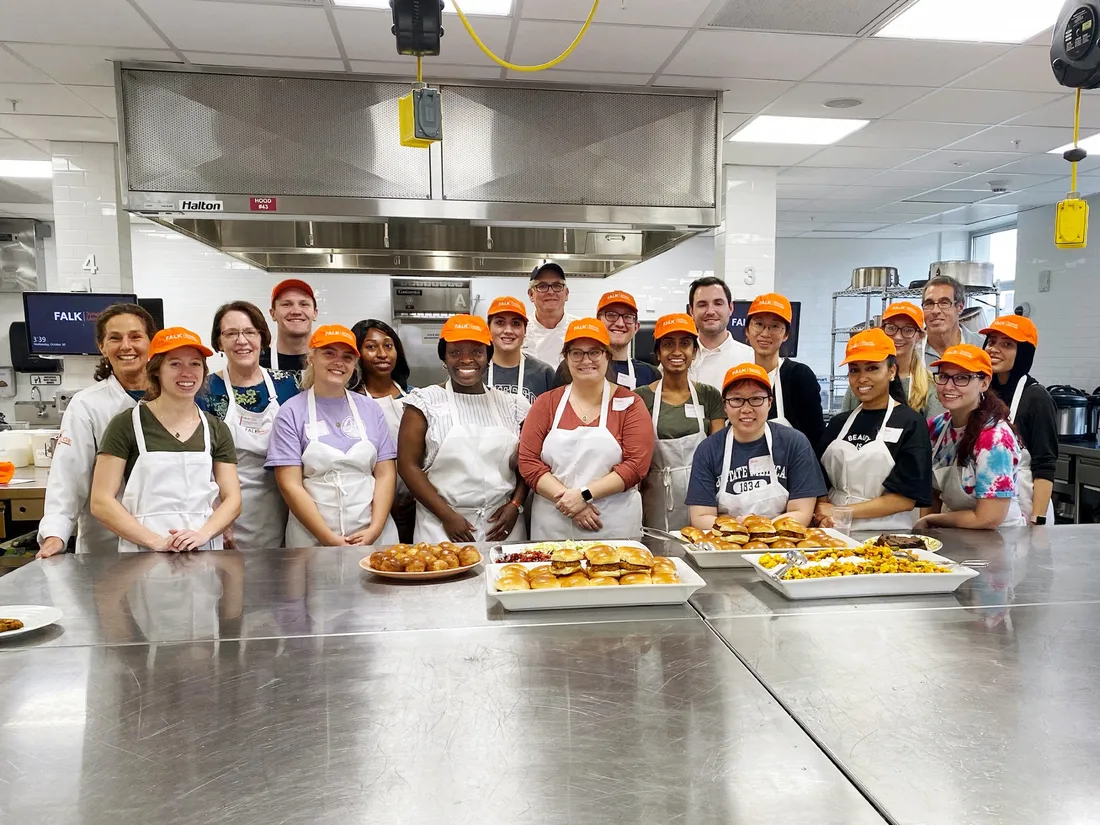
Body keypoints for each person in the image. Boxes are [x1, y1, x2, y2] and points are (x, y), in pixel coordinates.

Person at [90, 328, 241, 552]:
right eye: (175, 364)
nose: (187, 373)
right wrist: (155, 542)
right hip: (143, 552)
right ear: (156, 370)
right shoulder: (126, 425)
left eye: (195, 364)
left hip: (203, 550)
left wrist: (203, 534)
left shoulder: (216, 428)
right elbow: (101, 501)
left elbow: (233, 499)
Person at [37, 303, 156, 558]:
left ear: (151, 342)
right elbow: (68, 476)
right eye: (115, 338)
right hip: (107, 546)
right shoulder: (86, 405)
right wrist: (55, 534)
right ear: (102, 346)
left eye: (135, 336)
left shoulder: (173, 399)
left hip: (169, 537)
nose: (126, 346)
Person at [399, 314, 529, 543]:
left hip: (502, 524)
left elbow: (528, 463)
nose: (466, 360)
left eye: (477, 352)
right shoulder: (424, 402)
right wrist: (447, 516)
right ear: (444, 357)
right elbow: (408, 466)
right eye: (455, 352)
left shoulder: (513, 405)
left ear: (488, 356)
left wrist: (515, 505)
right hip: (440, 527)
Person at [520, 319, 654, 540]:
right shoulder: (546, 404)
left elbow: (636, 466)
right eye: (577, 353)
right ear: (566, 357)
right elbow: (528, 461)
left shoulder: (630, 403)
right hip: (554, 522)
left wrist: (584, 496)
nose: (586, 360)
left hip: (612, 523)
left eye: (594, 352)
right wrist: (569, 501)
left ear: (607, 356)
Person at [267, 325, 399, 548]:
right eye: (329, 353)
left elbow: (386, 474)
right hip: (312, 538)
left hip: (374, 535)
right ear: (311, 357)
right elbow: (290, 485)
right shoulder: (290, 412)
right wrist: (328, 538)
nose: (339, 362)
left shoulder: (370, 409)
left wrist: (375, 529)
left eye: (347, 357)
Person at [199, 301, 300, 549]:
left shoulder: (290, 384)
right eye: (231, 333)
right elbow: (199, 461)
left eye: (249, 332)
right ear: (219, 342)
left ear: (263, 338)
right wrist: (217, 515)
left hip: (287, 506)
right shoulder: (205, 390)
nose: (241, 341)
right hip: (226, 508)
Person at [816, 329, 933, 532]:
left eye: (872, 368)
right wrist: (823, 516)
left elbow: (904, 500)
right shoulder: (838, 424)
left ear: (892, 372)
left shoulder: (910, 423)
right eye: (855, 370)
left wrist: (841, 511)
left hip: (889, 535)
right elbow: (819, 482)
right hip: (835, 532)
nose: (862, 378)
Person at [687, 363, 826, 528]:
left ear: (769, 402)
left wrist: (762, 528)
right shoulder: (708, 450)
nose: (746, 409)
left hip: (782, 544)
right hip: (726, 544)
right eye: (737, 400)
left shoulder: (794, 443)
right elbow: (701, 516)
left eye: (756, 399)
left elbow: (802, 512)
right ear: (724, 405)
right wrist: (737, 527)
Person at [915, 345, 1025, 530]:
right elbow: (932, 490)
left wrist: (933, 520)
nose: (949, 386)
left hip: (1000, 539)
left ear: (984, 383)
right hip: (957, 534)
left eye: (962, 378)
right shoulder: (936, 428)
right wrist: (926, 536)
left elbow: (989, 518)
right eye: (943, 376)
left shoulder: (994, 438)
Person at [636, 314, 726, 532]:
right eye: (668, 344)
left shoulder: (709, 395)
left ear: (694, 352)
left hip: (703, 495)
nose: (677, 352)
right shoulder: (640, 398)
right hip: (656, 496)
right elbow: (636, 458)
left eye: (685, 344)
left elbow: (718, 454)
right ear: (658, 353)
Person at [981, 315, 1058, 524]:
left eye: (1007, 344)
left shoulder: (1037, 397)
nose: (994, 349)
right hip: (983, 510)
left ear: (1023, 353)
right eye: (991, 341)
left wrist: (1038, 518)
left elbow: (1045, 464)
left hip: (1026, 508)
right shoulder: (981, 392)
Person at [351, 318, 416, 543]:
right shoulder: (350, 402)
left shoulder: (415, 397)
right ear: (357, 353)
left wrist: (417, 496)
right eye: (371, 347)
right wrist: (386, 501)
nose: (382, 353)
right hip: (370, 506)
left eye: (388, 345)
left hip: (417, 503)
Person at [744, 292, 824, 446]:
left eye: (775, 326)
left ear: (786, 334)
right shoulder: (739, 378)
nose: (765, 333)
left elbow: (815, 438)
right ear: (747, 330)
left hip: (792, 468)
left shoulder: (799, 376)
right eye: (759, 324)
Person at [842, 302, 941, 419]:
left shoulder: (930, 386)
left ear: (920, 336)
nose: (898, 337)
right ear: (882, 331)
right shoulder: (863, 382)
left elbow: (934, 433)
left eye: (908, 330)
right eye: (891, 328)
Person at [686, 275, 754, 391]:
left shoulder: (751, 359)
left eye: (718, 303)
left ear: (731, 308)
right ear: (691, 311)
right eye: (702, 305)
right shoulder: (678, 359)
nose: (710, 311)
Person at [485, 296, 555, 403]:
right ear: (488, 328)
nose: (508, 330)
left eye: (516, 324)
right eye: (500, 322)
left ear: (525, 331)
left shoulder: (544, 373)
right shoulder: (477, 371)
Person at [260, 279, 318, 375]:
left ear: (315, 313)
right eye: (286, 304)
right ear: (273, 314)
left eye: (304, 304)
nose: (296, 311)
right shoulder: (257, 363)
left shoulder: (330, 361)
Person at [922, 275, 983, 365]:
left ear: (960, 307)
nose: (935, 311)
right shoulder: (913, 349)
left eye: (944, 303)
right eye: (929, 303)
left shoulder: (981, 346)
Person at [523, 263, 576, 365]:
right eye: (542, 286)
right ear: (531, 294)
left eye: (557, 286)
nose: (551, 292)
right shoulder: (520, 331)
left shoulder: (580, 328)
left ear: (566, 294)